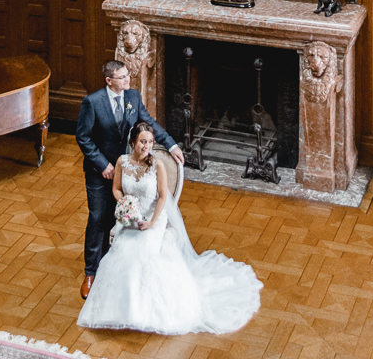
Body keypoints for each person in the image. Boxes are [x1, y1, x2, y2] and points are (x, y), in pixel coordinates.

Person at [78, 121, 262, 335]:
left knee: (142, 254)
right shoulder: (122, 162)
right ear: (133, 142)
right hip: (130, 219)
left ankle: (145, 311)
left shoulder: (157, 165)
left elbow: (163, 196)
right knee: (121, 253)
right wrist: (126, 204)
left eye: (149, 142)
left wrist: (152, 222)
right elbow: (117, 189)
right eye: (142, 142)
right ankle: (120, 310)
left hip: (153, 219)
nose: (146, 146)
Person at [76, 60, 183, 300]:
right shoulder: (92, 103)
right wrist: (103, 164)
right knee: (98, 218)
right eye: (122, 77)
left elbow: (149, 124)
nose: (128, 80)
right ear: (109, 80)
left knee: (119, 219)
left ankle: (112, 266)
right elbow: (83, 137)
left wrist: (171, 144)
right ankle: (91, 272)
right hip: (99, 171)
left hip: (127, 170)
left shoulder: (132, 97)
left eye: (128, 76)